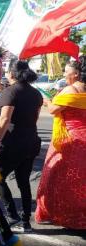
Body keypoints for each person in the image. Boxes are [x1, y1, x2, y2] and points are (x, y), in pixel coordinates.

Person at [35, 57, 86, 229]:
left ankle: (63, 213)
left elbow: (52, 110)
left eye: (66, 71)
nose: (64, 74)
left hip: (70, 141)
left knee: (60, 178)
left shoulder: (70, 90)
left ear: (76, 74)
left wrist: (48, 100)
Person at [0, 60, 43, 232]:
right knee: (24, 181)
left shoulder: (10, 91)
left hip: (14, 142)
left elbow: (5, 119)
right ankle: (25, 221)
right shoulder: (36, 93)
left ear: (11, 73)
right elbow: (35, 118)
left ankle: (12, 215)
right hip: (31, 140)